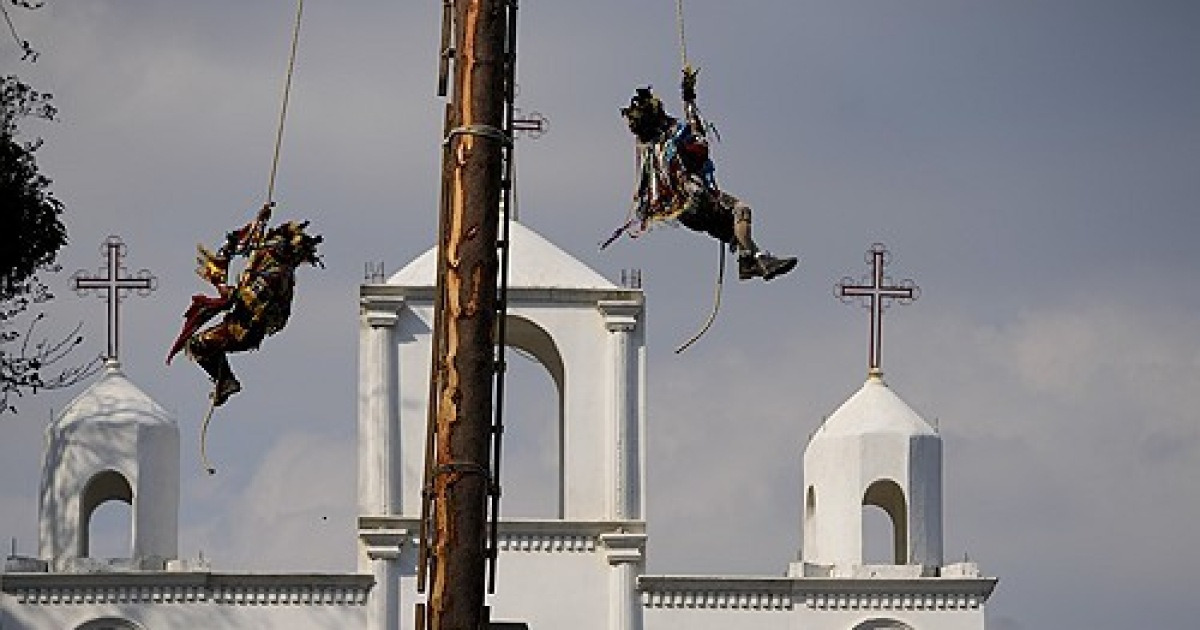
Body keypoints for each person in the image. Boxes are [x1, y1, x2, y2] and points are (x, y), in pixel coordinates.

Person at [620, 68, 797, 281]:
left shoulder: (652, 146)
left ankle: (755, 259)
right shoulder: (674, 137)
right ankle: (748, 262)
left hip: (683, 213)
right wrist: (689, 97)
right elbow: (698, 137)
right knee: (741, 210)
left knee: (732, 228)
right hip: (696, 198)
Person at [167, 202, 322, 406]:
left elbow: (248, 297)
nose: (268, 247)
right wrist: (260, 221)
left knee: (198, 344)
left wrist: (228, 293)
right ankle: (225, 379)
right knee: (202, 345)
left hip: (246, 330)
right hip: (239, 324)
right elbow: (248, 245)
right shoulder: (268, 263)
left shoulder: (278, 274)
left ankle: (226, 380)